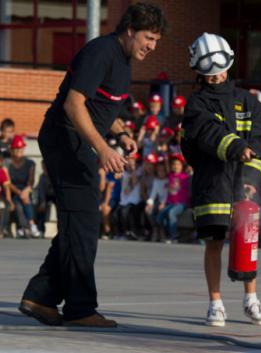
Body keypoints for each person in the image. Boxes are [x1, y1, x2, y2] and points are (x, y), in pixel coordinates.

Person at [19, 3, 166, 328]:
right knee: (83, 223)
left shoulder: (123, 62)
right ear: (130, 30)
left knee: (78, 223)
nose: (152, 46)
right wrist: (102, 148)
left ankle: (41, 296)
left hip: (78, 142)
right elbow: (74, 104)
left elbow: (103, 109)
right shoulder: (101, 52)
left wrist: (122, 133)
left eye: (156, 40)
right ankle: (80, 308)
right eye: (149, 37)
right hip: (66, 139)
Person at [181, 32, 261, 327]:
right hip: (212, 182)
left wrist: (250, 176)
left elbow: (259, 137)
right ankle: (216, 303)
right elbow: (208, 134)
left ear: (229, 65)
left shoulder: (249, 101)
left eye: (220, 71)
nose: (216, 77)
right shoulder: (196, 105)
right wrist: (236, 148)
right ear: (199, 71)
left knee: (247, 240)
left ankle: (251, 300)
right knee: (214, 242)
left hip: (242, 181)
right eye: (210, 73)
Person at [8, 135, 40, 238]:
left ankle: (27, 226)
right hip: (12, 190)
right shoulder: (7, 163)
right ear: (12, 150)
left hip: (26, 190)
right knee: (18, 203)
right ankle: (28, 226)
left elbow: (31, 181)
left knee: (26, 199)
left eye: (20, 149)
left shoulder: (30, 163)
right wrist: (19, 192)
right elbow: (7, 182)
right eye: (16, 149)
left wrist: (26, 191)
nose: (18, 152)